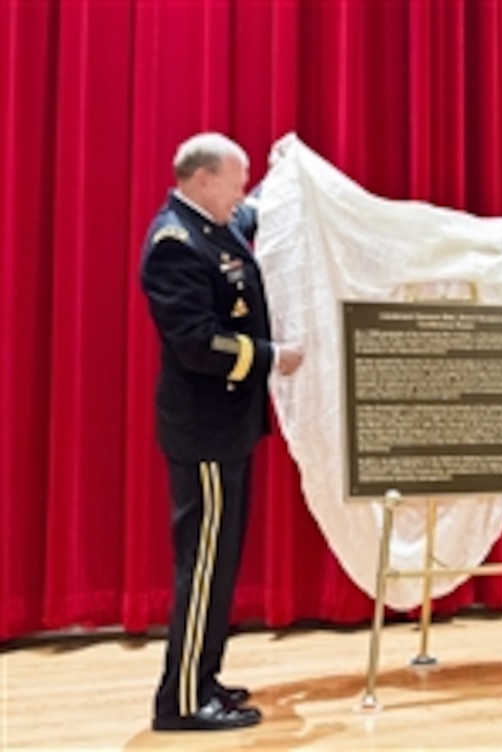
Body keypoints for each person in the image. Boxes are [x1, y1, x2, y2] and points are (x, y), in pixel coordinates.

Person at [140, 132, 303, 731]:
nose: (241, 194)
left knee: (220, 562)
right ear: (202, 179)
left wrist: (283, 174)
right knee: (204, 565)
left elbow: (251, 216)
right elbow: (195, 341)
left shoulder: (213, 226)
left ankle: (202, 678)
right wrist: (269, 357)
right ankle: (181, 702)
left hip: (225, 429)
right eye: (235, 182)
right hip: (203, 429)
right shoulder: (175, 244)